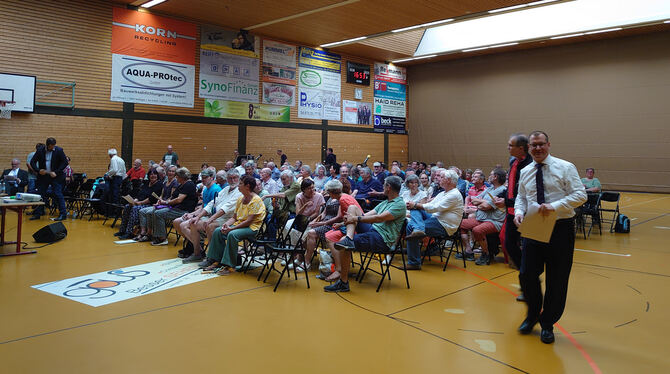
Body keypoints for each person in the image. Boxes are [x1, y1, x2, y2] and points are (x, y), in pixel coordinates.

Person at [514, 131, 587, 344]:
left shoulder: (565, 167)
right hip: (534, 226)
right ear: (528, 148)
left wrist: (553, 206)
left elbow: (580, 195)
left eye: (541, 144)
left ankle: (547, 323)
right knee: (527, 274)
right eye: (533, 145)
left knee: (557, 279)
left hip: (560, 228)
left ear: (548, 145)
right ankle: (532, 315)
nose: (537, 148)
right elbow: (521, 197)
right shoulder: (526, 170)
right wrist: (519, 212)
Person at [325, 176, 406, 292]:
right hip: (373, 230)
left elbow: (378, 218)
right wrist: (342, 223)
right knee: (353, 207)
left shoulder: (399, 204)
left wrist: (354, 218)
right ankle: (349, 237)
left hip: (382, 239)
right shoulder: (385, 202)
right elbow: (365, 216)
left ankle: (343, 283)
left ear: (388, 187)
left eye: (384, 185)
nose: (382, 187)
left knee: (343, 244)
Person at [199, 175, 266, 275]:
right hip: (241, 225)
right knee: (218, 231)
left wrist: (231, 229)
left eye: (240, 183)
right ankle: (216, 260)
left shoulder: (256, 200)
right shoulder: (240, 199)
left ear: (247, 186)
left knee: (232, 234)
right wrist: (226, 225)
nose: (238, 186)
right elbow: (234, 217)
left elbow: (249, 221)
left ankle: (229, 266)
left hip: (253, 228)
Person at [404, 169, 464, 270]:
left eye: (442, 177)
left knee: (410, 226)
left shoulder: (454, 194)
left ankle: (414, 262)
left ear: (448, 180)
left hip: (444, 225)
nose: (438, 179)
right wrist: (415, 205)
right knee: (415, 209)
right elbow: (430, 205)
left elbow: (435, 208)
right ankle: (419, 229)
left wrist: (416, 205)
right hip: (435, 218)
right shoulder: (443, 193)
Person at [180, 170, 242, 262]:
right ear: (227, 179)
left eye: (235, 178)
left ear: (239, 179)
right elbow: (211, 204)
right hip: (216, 217)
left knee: (210, 225)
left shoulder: (239, 192)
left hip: (229, 219)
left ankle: (213, 257)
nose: (232, 180)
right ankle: (197, 253)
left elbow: (225, 208)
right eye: (230, 178)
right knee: (193, 223)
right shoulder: (225, 190)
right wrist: (198, 217)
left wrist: (211, 219)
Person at [504, 134, 533, 299]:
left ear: (521, 148)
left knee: (528, 250)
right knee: (509, 245)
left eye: (510, 145)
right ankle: (528, 275)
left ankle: (528, 285)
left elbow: (527, 195)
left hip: (525, 214)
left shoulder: (529, 165)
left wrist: (507, 202)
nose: (508, 147)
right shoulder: (513, 162)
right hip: (511, 212)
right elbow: (512, 187)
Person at [459, 169, 507, 265]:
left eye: (491, 174)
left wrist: (481, 203)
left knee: (477, 230)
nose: (489, 176)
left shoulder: (502, 190)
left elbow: (486, 206)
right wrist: (482, 203)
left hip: (494, 221)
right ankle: (468, 251)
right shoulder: (490, 189)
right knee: (461, 224)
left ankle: (486, 254)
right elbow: (474, 200)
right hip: (481, 219)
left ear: (496, 177)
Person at [150, 167, 199, 246]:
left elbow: (179, 200)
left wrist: (166, 203)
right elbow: (173, 197)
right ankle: (157, 235)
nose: (176, 178)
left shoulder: (188, 184)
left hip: (184, 211)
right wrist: (162, 202)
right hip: (177, 208)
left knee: (158, 214)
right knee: (155, 211)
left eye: (177, 176)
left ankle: (162, 238)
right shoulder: (182, 184)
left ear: (182, 177)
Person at [114, 168, 163, 239]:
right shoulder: (146, 184)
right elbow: (139, 194)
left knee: (134, 209)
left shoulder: (159, 185)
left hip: (149, 204)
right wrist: (134, 201)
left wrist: (140, 203)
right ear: (148, 176)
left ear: (157, 175)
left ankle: (129, 232)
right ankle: (122, 230)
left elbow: (151, 199)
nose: (153, 176)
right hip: (140, 202)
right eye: (151, 174)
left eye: (154, 174)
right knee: (127, 206)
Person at [29, 137, 68, 221]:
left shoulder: (59, 150)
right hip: (44, 176)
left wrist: (56, 172)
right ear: (47, 145)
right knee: (40, 194)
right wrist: (38, 170)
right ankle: (38, 213)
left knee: (58, 194)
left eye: (54, 145)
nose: (53, 147)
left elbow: (65, 162)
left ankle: (63, 214)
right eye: (51, 146)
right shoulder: (40, 150)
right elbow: (32, 162)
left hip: (55, 176)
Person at [105, 148, 126, 214]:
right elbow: (124, 171)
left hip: (115, 178)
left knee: (114, 195)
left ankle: (113, 212)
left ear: (110, 154)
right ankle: (118, 211)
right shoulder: (121, 159)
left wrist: (109, 175)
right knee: (117, 195)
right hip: (120, 178)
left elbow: (114, 169)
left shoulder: (113, 159)